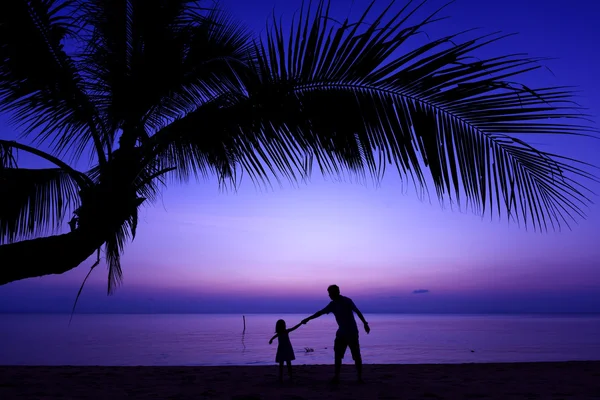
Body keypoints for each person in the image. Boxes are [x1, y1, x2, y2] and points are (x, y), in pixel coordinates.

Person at [301, 284, 370, 384]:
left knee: (356, 356)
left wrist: (365, 323)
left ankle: (359, 377)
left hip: (352, 333)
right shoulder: (332, 304)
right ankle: (336, 376)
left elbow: (357, 311)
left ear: (337, 292)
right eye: (329, 294)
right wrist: (308, 319)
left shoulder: (347, 301)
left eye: (331, 293)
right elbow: (320, 312)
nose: (330, 296)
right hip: (341, 333)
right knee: (338, 355)